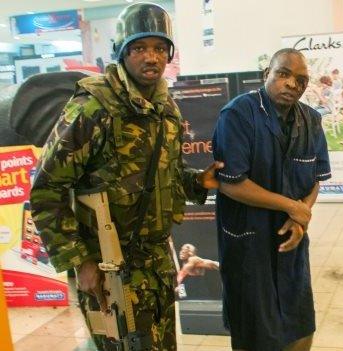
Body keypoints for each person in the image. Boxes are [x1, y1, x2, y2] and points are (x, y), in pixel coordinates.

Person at [29, 3, 222, 350]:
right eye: (139, 48)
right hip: (107, 266)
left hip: (157, 263)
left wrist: (198, 182)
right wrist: (81, 263)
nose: (152, 58)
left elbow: (168, 175)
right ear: (121, 52)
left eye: (160, 48)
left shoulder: (166, 109)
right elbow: (46, 190)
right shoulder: (94, 108)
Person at [212, 48, 331, 351]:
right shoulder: (238, 116)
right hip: (249, 244)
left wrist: (299, 215)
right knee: (255, 332)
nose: (292, 84)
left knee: (300, 326)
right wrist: (291, 206)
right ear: (267, 75)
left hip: (291, 243)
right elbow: (231, 185)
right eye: (283, 74)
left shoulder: (311, 121)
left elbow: (315, 177)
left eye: (301, 80)